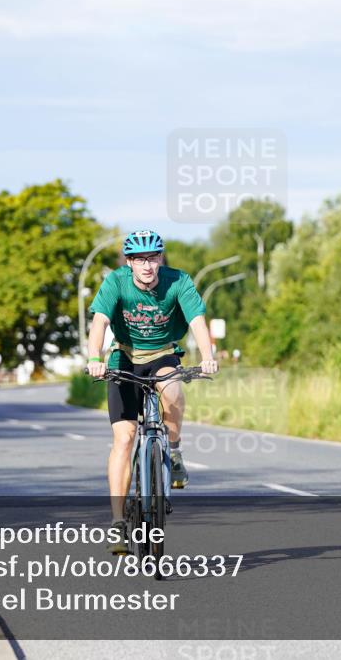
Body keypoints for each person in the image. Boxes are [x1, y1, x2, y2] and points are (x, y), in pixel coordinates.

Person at [85, 230, 218, 554]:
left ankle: (172, 451)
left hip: (162, 354)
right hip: (124, 358)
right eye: (140, 259)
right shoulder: (116, 282)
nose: (148, 265)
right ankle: (118, 523)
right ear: (130, 262)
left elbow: (198, 320)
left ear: (161, 258)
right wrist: (94, 359)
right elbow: (100, 322)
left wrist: (208, 357)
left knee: (172, 389)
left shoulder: (178, 281)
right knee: (125, 437)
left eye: (153, 257)